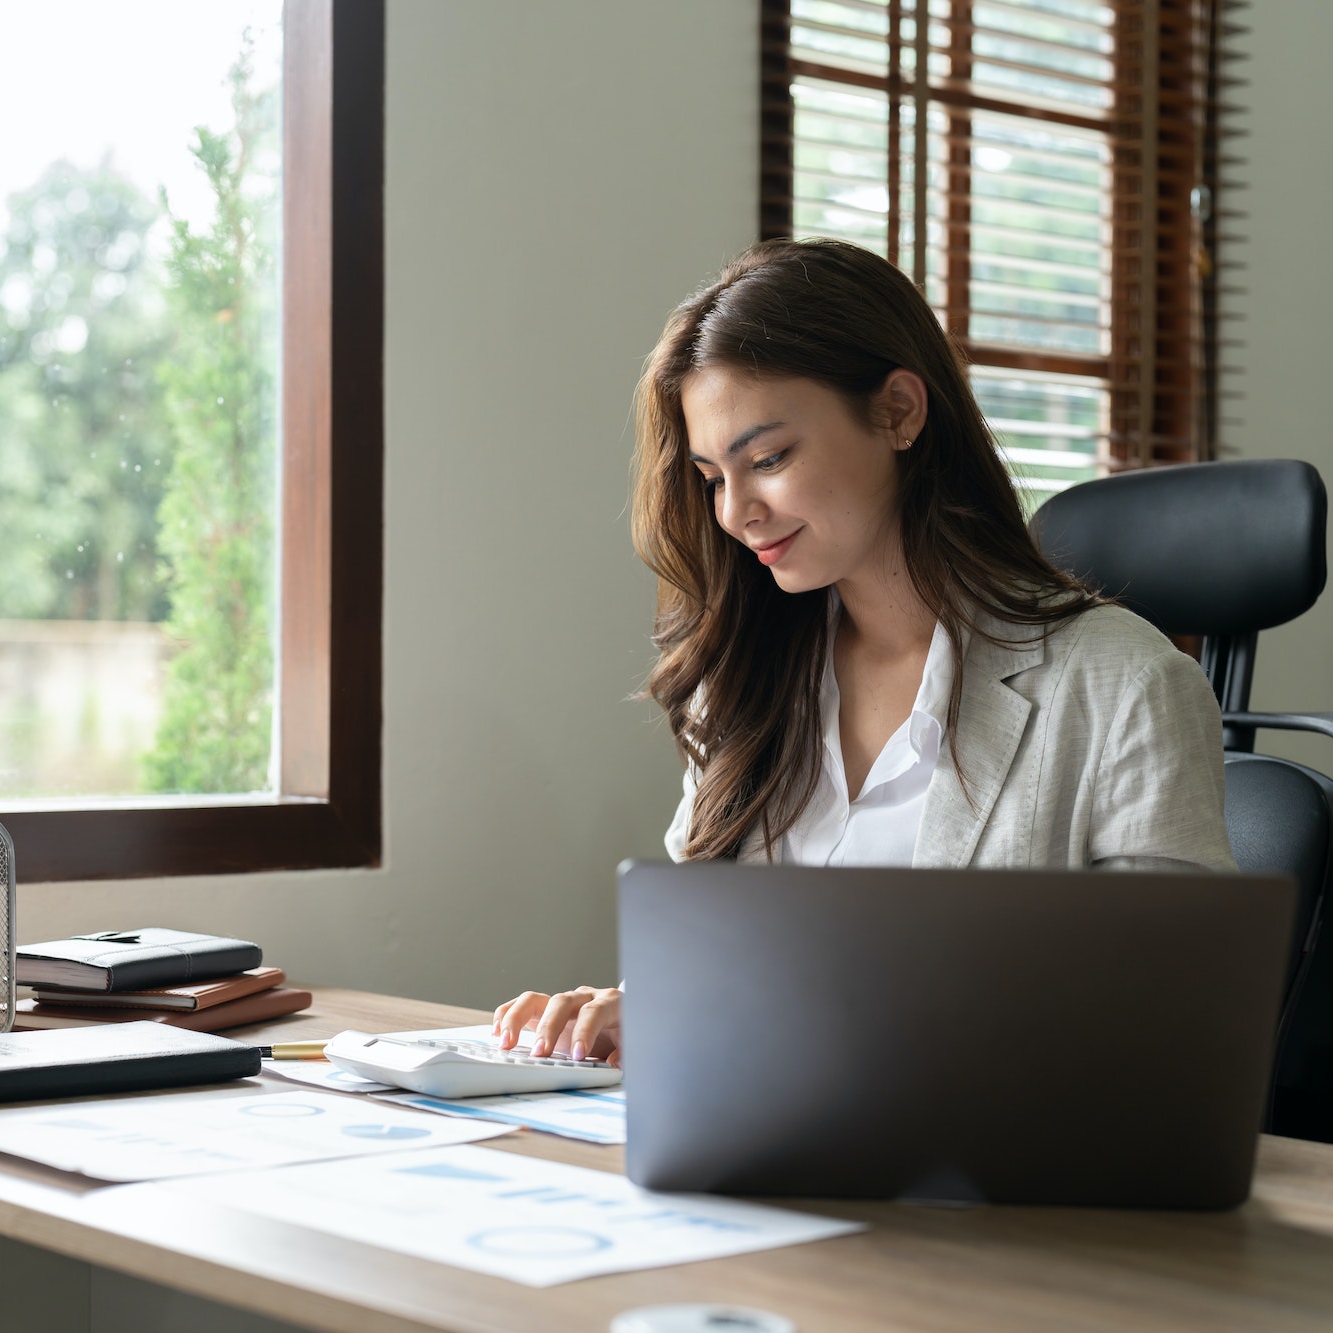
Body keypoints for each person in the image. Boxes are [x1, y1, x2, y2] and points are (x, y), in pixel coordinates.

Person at [493, 237, 1236, 1066]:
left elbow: (1171, 1033)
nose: (737, 512)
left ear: (899, 412)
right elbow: (709, 970)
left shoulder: (1123, 684)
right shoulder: (741, 681)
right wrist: (639, 1007)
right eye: (712, 476)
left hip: (993, 1171)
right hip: (758, 1151)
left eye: (768, 459)